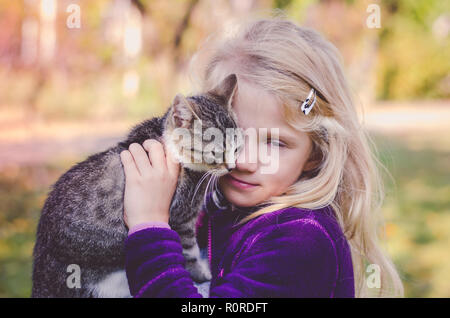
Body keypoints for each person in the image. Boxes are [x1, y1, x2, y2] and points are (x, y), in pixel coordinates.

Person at [119, 15, 404, 298]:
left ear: (315, 154)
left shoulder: (302, 241)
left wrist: (149, 227)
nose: (243, 161)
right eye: (233, 135)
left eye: (275, 143)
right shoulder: (217, 205)